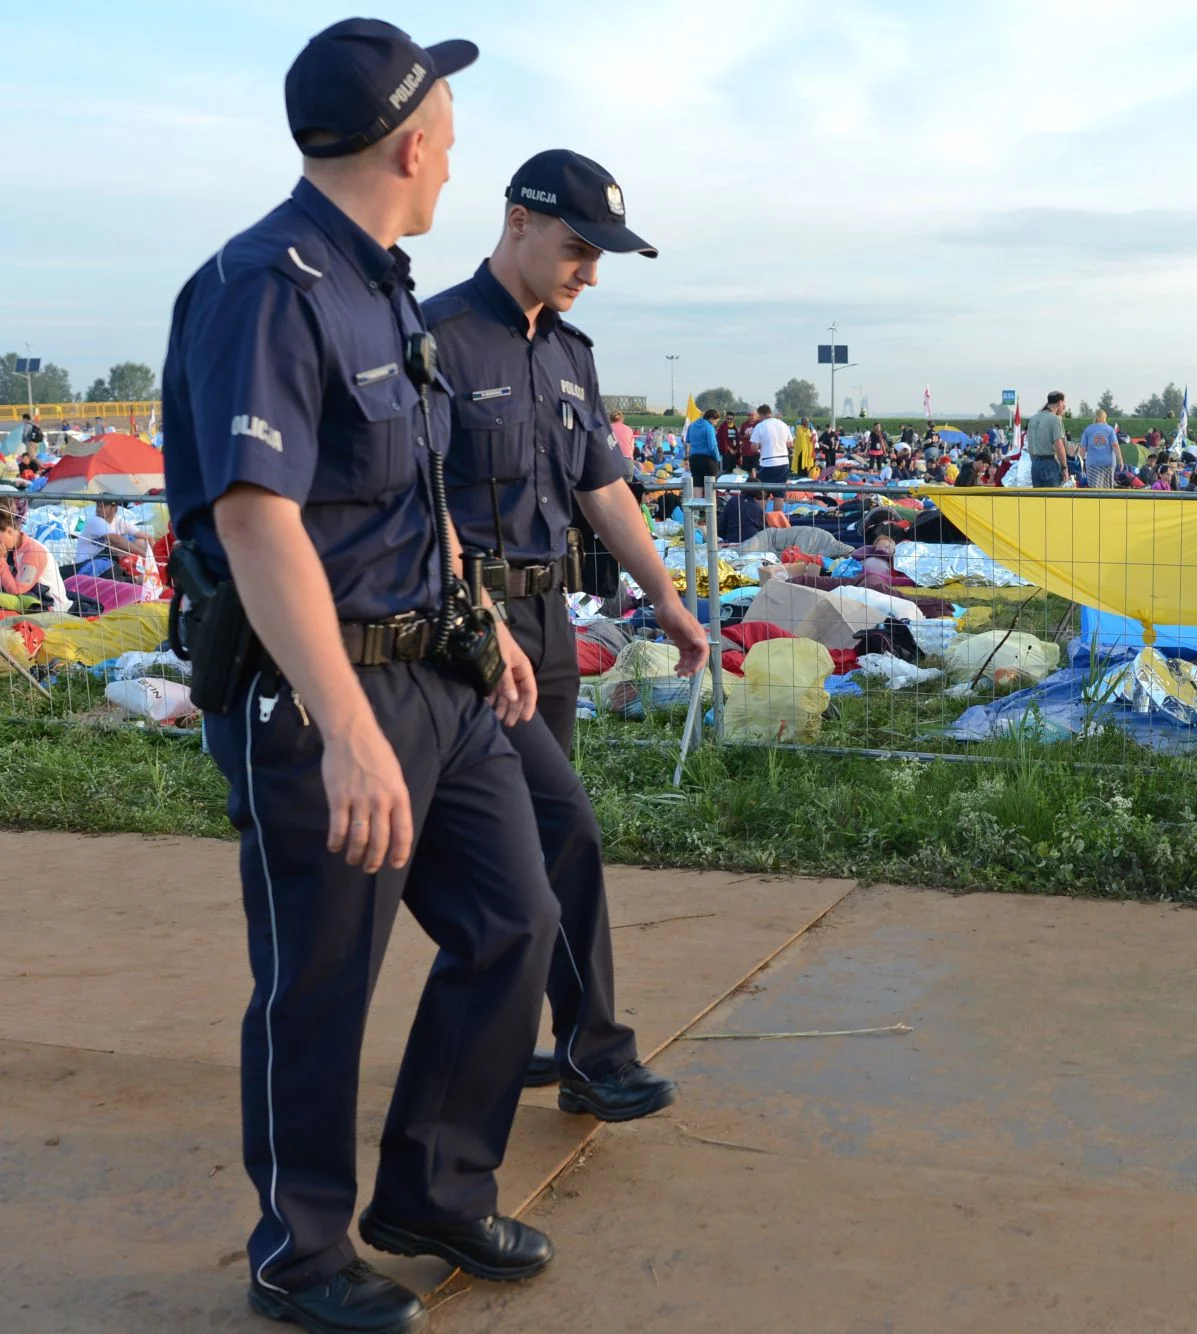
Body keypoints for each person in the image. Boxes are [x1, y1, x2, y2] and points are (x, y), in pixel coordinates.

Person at [159, 21, 563, 1332]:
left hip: (436, 677)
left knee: (516, 921)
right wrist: (343, 726)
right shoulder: (265, 286)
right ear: (408, 143)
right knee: (323, 976)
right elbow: (257, 518)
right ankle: (303, 1249)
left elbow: (415, 487)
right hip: (320, 696)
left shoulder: (384, 284)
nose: (455, 162)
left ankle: (434, 1186)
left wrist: (483, 616)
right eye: (449, 138)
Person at [424, 148, 708, 1115]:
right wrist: (477, 619)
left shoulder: (570, 355)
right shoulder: (440, 342)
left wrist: (665, 596)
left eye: (602, 257)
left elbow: (603, 488)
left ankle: (538, 1036)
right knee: (562, 831)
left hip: (550, 626)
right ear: (516, 222)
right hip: (470, 635)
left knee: (536, 847)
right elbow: (426, 504)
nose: (591, 273)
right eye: (579, 249)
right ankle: (596, 1052)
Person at [0, 506, 68, 612]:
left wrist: (1, 560)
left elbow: (17, 590)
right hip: (30, 598)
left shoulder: (33, 552)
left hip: (50, 606)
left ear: (9, 531)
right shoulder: (13, 548)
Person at [73, 497, 152, 579]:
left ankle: (146, 572)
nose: (99, 509)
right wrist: (142, 554)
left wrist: (155, 559)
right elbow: (116, 540)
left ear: (115, 508)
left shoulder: (119, 522)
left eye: (103, 506)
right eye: (98, 506)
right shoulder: (95, 521)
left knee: (140, 542)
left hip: (106, 561)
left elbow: (148, 538)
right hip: (88, 565)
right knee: (118, 547)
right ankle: (137, 577)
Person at [749, 402, 792, 506]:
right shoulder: (783, 425)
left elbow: (754, 448)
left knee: (763, 493)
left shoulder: (760, 426)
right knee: (779, 495)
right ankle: (777, 520)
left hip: (767, 463)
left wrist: (762, 446)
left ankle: (761, 519)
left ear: (761, 415)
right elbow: (790, 444)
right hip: (783, 463)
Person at [1024, 390, 1070, 487]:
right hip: (1049, 464)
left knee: (1039, 499)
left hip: (1035, 464)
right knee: (1052, 499)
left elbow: (1030, 446)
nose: (1064, 407)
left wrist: (1035, 462)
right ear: (1060, 402)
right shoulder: (1055, 419)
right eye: (1063, 404)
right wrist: (1064, 468)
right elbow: (1059, 446)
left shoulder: (1032, 419)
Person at [684, 407, 722, 488]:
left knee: (697, 486)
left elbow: (687, 440)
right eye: (716, 421)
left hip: (694, 459)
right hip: (707, 460)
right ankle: (710, 500)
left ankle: (697, 500)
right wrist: (718, 458)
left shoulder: (692, 425)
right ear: (711, 418)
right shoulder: (709, 427)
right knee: (710, 487)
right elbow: (712, 446)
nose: (715, 424)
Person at [1080, 409, 1118, 488]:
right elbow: (1115, 445)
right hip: (1108, 464)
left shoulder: (1088, 430)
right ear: (1105, 417)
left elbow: (1083, 449)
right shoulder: (1110, 429)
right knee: (1107, 489)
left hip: (1092, 464)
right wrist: (1120, 460)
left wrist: (1080, 463)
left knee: (1094, 490)